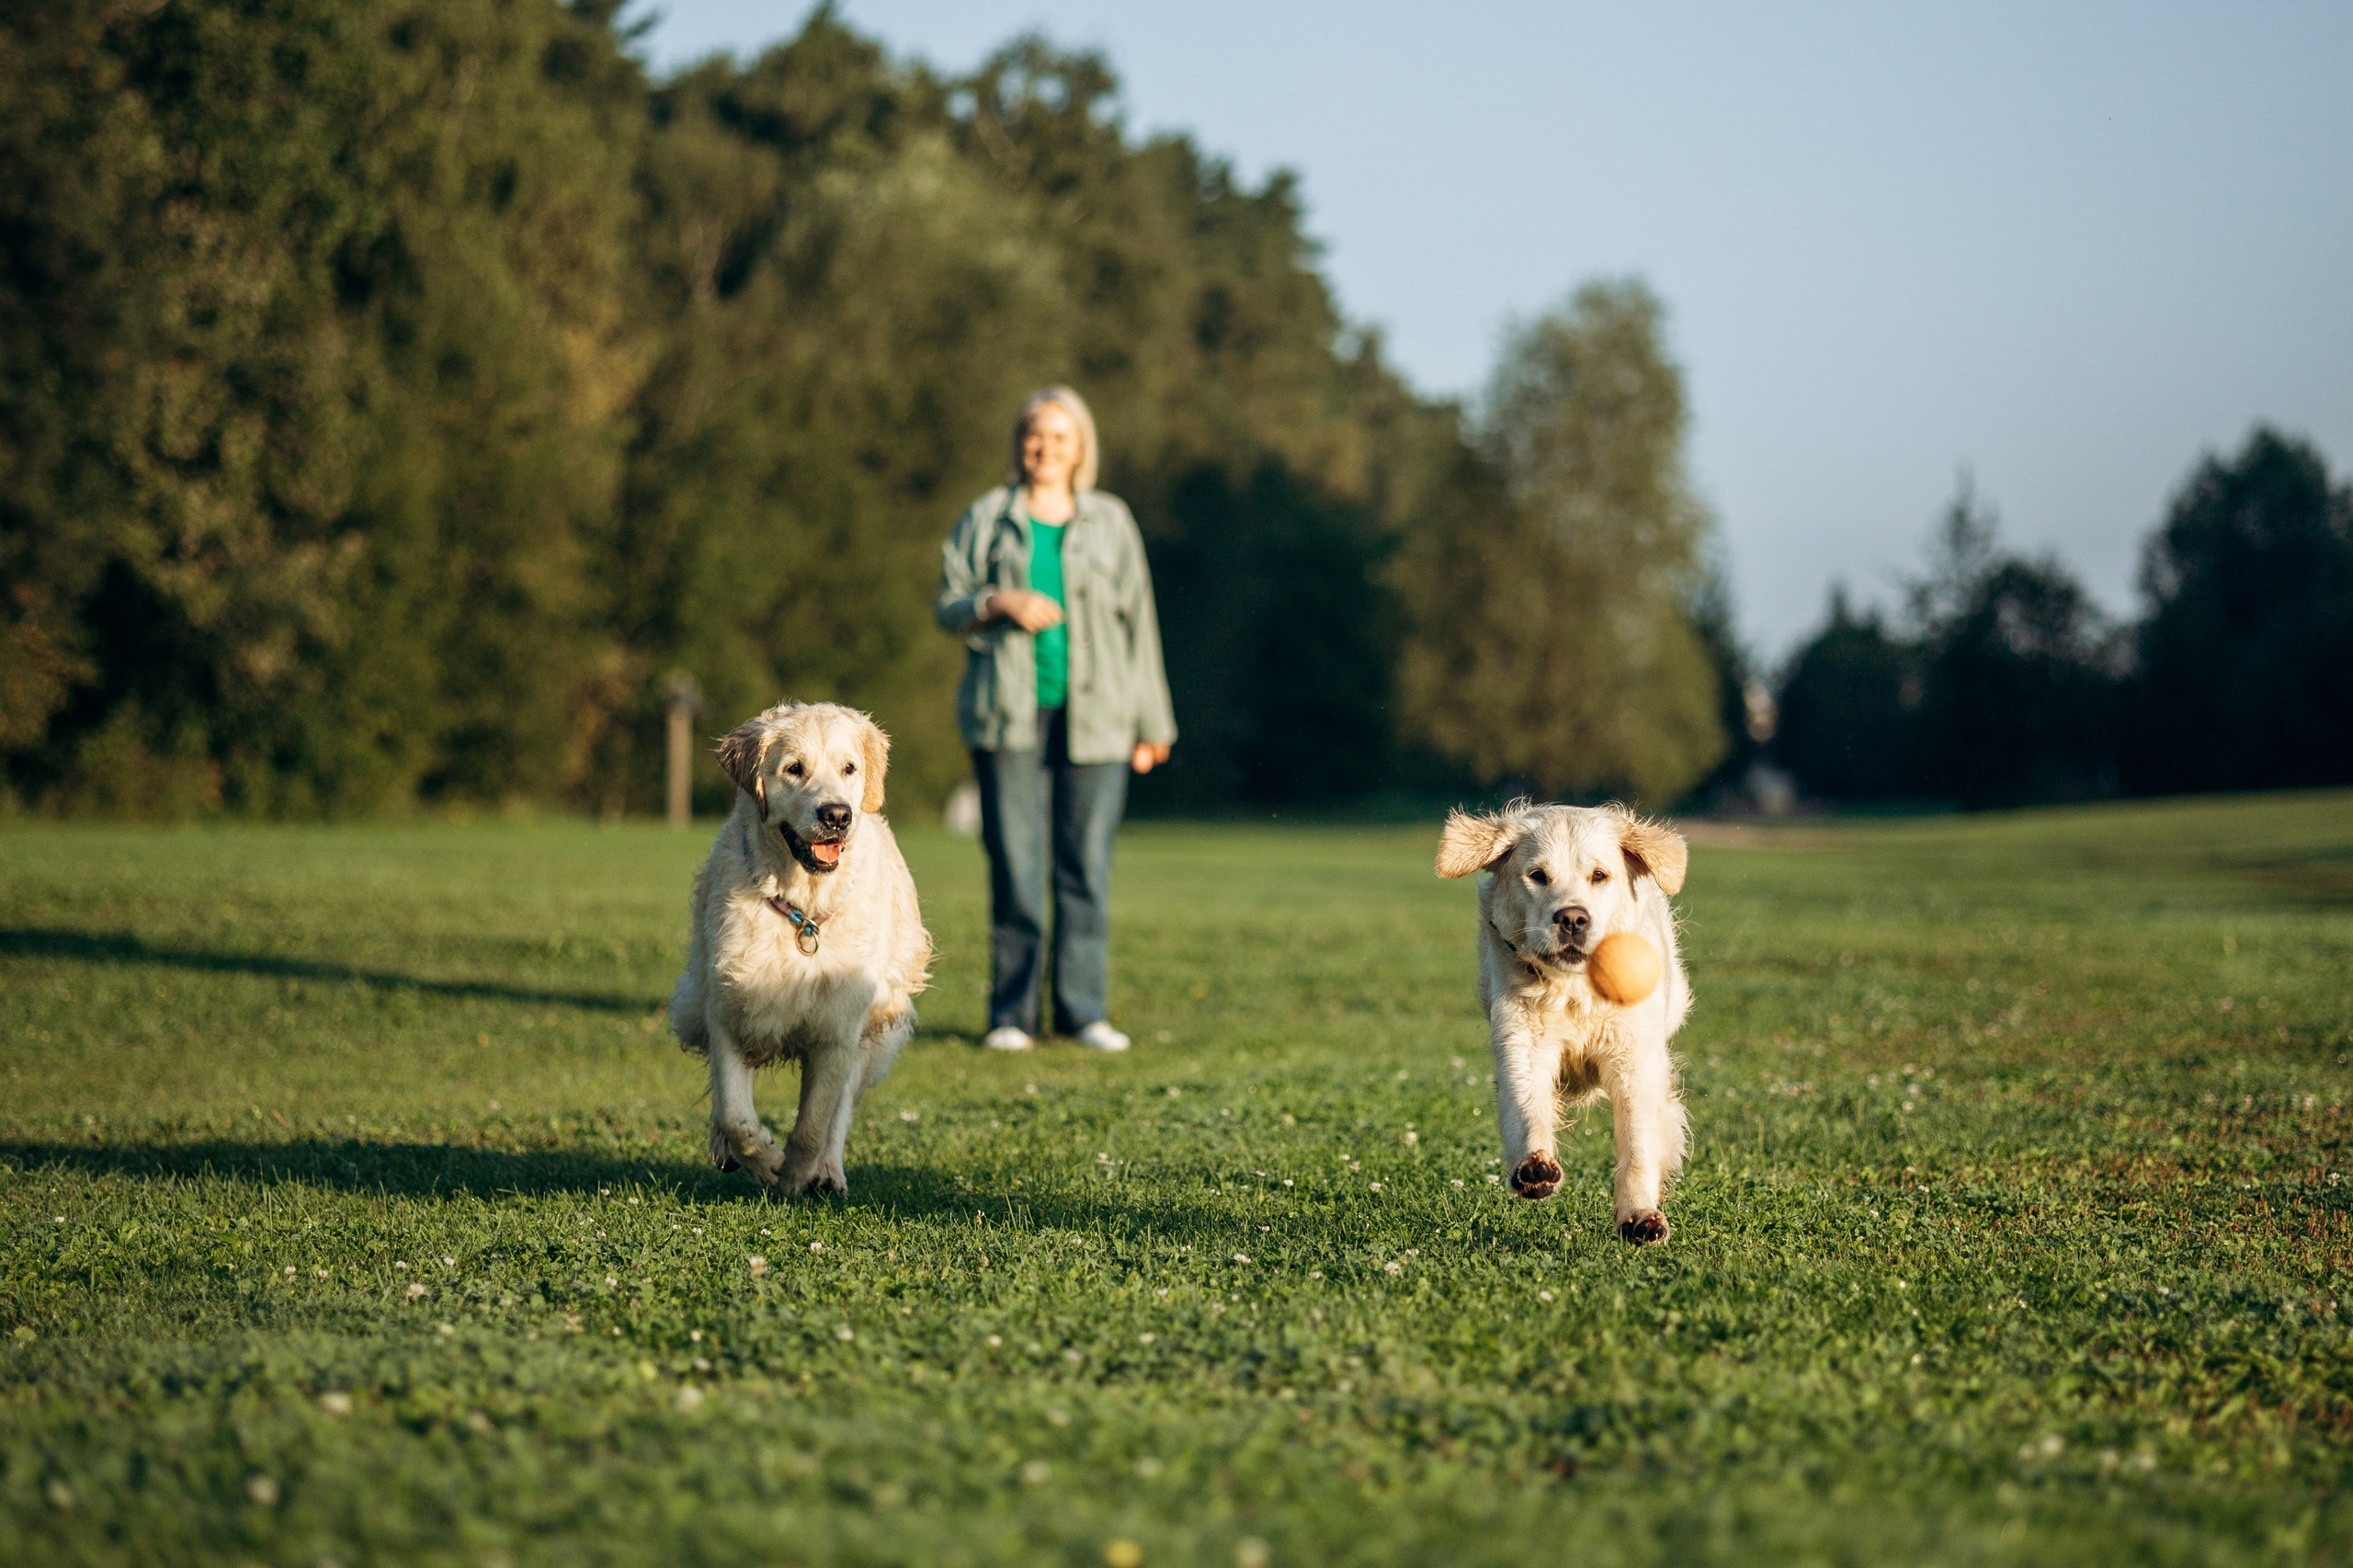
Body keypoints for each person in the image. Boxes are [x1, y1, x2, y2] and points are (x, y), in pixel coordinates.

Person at [934, 386, 1176, 1052]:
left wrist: (1154, 725)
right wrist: (995, 600)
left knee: (1085, 867)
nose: (1046, 448)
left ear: (1080, 448)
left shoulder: (1112, 521)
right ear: (1020, 444)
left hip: (1100, 717)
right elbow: (947, 604)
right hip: (1006, 715)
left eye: (1060, 438)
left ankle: (1082, 1011)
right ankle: (1011, 1016)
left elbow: (1139, 625)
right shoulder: (986, 517)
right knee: (1015, 866)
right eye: (1035, 435)